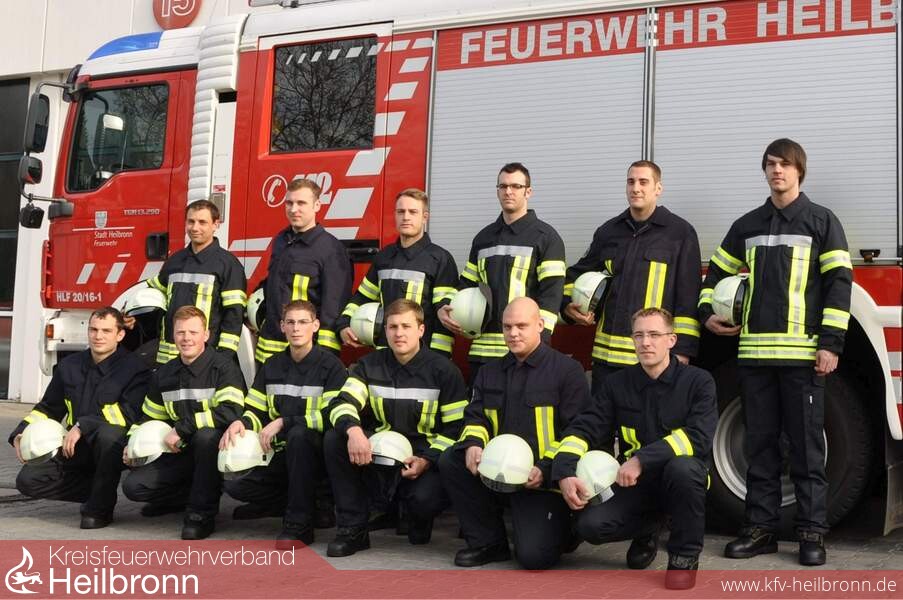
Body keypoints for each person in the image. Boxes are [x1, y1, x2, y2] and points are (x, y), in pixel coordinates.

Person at [700, 138, 853, 566]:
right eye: (770, 164)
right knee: (760, 447)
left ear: (799, 170)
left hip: (803, 359)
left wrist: (830, 344)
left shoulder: (822, 222)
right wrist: (706, 313)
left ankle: (811, 533)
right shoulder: (747, 225)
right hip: (755, 359)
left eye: (785, 164)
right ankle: (760, 530)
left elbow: (839, 285)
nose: (777, 171)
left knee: (807, 449)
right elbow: (715, 275)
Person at [553, 308, 717, 589]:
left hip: (679, 481)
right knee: (590, 527)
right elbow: (586, 427)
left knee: (684, 469)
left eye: (654, 334)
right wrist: (564, 471)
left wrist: (641, 460)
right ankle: (649, 527)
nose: (646, 342)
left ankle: (684, 557)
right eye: (639, 335)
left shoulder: (698, 382)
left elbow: (698, 437)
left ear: (672, 340)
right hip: (634, 484)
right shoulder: (617, 384)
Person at [439, 297, 589, 570]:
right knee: (452, 458)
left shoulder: (568, 372)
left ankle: (566, 529)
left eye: (521, 326)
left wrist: (545, 467)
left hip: (542, 481)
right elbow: (475, 416)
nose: (513, 333)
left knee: (534, 558)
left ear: (540, 325)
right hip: (497, 474)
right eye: (507, 327)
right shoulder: (489, 372)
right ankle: (488, 542)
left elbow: (576, 431)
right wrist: (473, 443)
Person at [324, 299, 468, 556]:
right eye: (392, 327)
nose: (399, 333)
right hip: (380, 453)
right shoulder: (369, 365)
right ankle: (353, 530)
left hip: (423, 457)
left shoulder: (444, 371)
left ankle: (416, 515)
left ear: (421, 330)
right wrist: (354, 431)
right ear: (385, 330)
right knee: (335, 438)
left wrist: (427, 460)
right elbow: (341, 403)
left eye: (406, 326)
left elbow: (457, 429)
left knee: (423, 501)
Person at [562, 161, 701, 397]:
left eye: (643, 182)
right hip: (606, 360)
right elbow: (576, 275)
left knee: (651, 420)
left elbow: (687, 298)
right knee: (603, 419)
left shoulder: (680, 233)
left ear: (658, 188)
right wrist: (567, 306)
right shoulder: (608, 231)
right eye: (631, 182)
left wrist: (682, 352)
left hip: (653, 359)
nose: (636, 188)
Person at [220, 300, 347, 547]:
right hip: (278, 453)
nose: (296, 328)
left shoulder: (331, 366)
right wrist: (242, 422)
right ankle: (293, 504)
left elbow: (335, 416)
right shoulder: (272, 365)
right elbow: (255, 409)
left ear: (315, 326)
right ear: (282, 326)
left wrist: (284, 422)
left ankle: (299, 525)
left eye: (303, 322)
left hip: (318, 455)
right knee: (235, 485)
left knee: (299, 435)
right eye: (291, 322)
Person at [8, 307, 149, 529]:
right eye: (93, 330)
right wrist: (21, 432)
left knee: (108, 434)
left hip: (113, 448)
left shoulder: (135, 368)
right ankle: (99, 490)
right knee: (28, 480)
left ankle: (99, 509)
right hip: (75, 447)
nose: (98, 336)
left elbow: (128, 414)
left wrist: (84, 425)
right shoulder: (69, 366)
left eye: (106, 331)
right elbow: (48, 409)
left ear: (120, 335)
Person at [122, 306, 246, 540]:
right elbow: (149, 416)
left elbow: (231, 411)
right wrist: (132, 443)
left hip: (214, 451)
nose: (186, 338)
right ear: (173, 335)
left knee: (206, 436)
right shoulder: (164, 374)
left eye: (193, 332)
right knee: (134, 487)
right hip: (178, 451)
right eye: (180, 332)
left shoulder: (224, 368)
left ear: (206, 335)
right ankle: (182, 498)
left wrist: (182, 428)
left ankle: (201, 515)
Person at [438, 163, 565, 381]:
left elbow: (551, 297)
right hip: (483, 355)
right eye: (503, 186)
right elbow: (466, 285)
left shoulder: (546, 238)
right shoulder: (483, 238)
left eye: (516, 186)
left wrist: (539, 346)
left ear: (528, 192)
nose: (508, 191)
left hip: (525, 354)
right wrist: (444, 306)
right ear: (497, 191)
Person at [337, 188, 459, 356]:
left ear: (425, 217)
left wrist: (438, 359)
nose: (406, 217)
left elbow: (443, 315)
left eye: (413, 212)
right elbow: (362, 297)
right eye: (401, 212)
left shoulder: (440, 259)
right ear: (395, 215)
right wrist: (343, 324)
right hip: (384, 354)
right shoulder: (383, 257)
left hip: (422, 356)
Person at [255, 179, 352, 364]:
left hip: (306, 354)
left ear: (317, 205)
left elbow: (333, 309)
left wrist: (324, 359)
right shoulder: (281, 240)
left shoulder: (331, 249)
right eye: (289, 203)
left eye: (301, 203)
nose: (293, 209)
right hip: (269, 352)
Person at [145, 199, 247, 364]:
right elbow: (153, 296)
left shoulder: (228, 264)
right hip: (169, 359)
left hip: (205, 357)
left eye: (202, 222)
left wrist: (223, 356)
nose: (195, 228)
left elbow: (234, 315)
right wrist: (132, 315)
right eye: (191, 221)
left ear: (215, 224)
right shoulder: (175, 261)